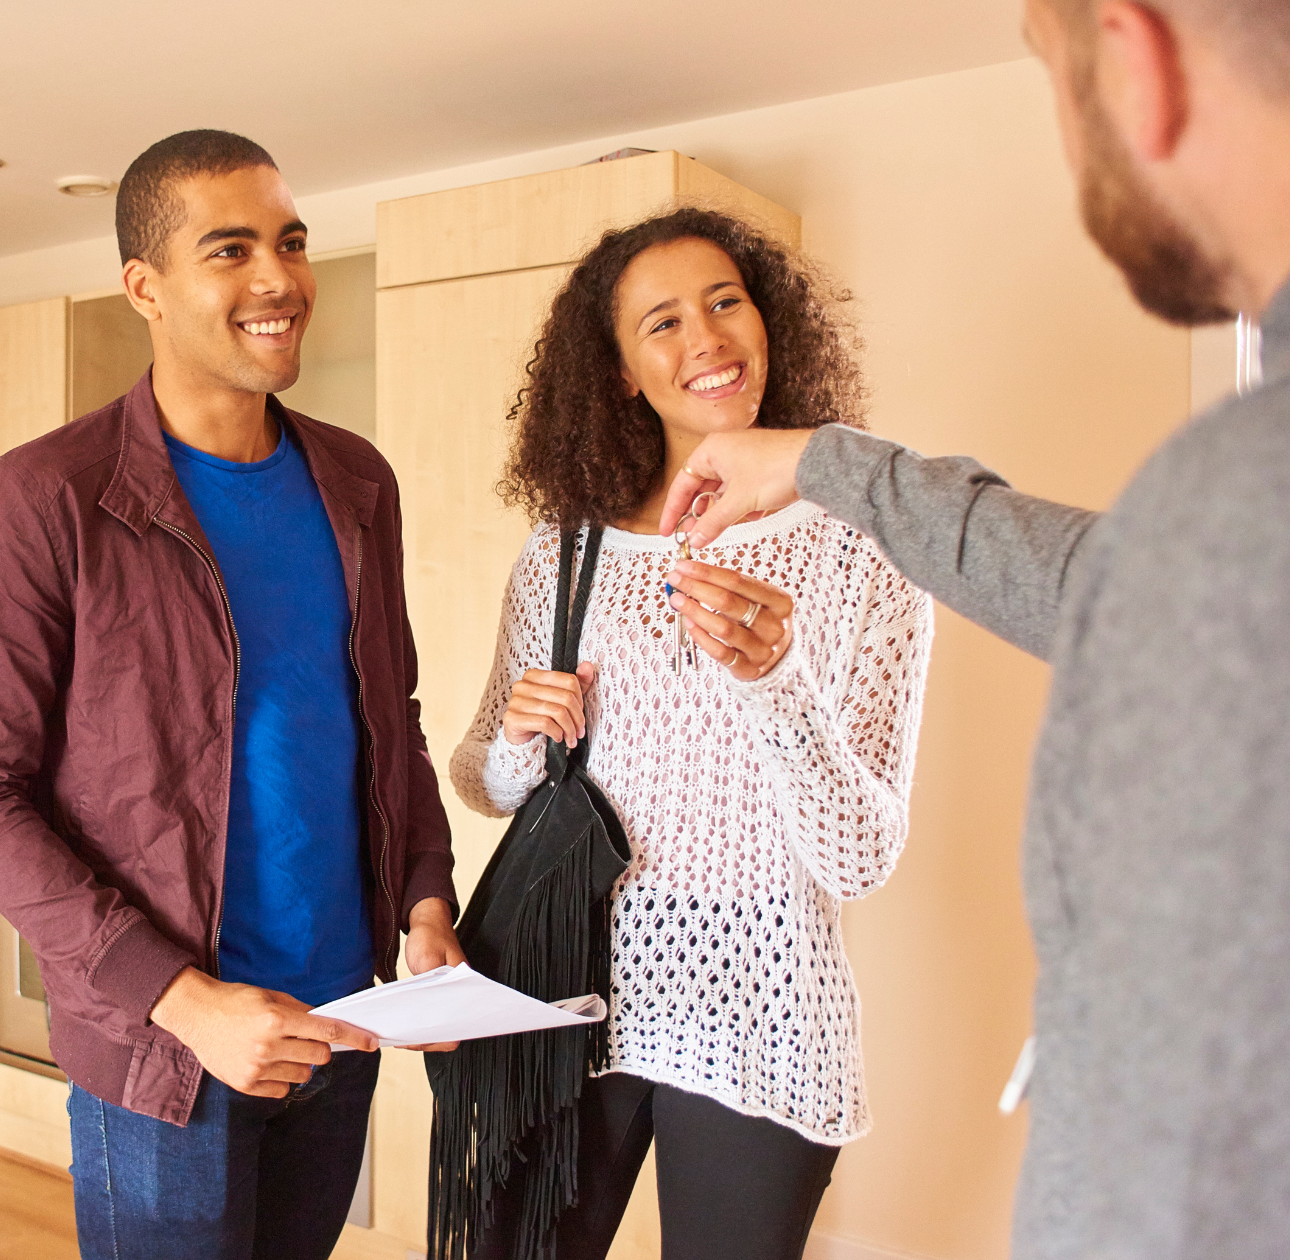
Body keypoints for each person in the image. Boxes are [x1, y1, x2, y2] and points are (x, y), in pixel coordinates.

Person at [653, 2, 1290, 1257]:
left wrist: (782, 663)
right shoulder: (1276, 493)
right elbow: (1132, 578)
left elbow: (1200, 1152)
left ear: (1135, 59)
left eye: (1052, 79)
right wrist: (840, 466)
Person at [0, 129, 465, 1260]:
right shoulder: (46, 498)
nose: (279, 280)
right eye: (231, 250)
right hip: (165, 1047)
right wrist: (178, 999)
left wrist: (422, 896)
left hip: (334, 1018)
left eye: (292, 241)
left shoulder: (356, 481)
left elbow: (386, 719)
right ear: (146, 288)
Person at [445, 208, 933, 1260]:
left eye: (723, 302)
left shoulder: (864, 550)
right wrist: (526, 737)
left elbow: (857, 857)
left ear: (768, 324)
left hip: (760, 1006)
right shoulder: (561, 554)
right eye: (660, 322)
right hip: (564, 991)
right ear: (618, 371)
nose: (704, 339)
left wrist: (776, 682)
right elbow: (481, 778)